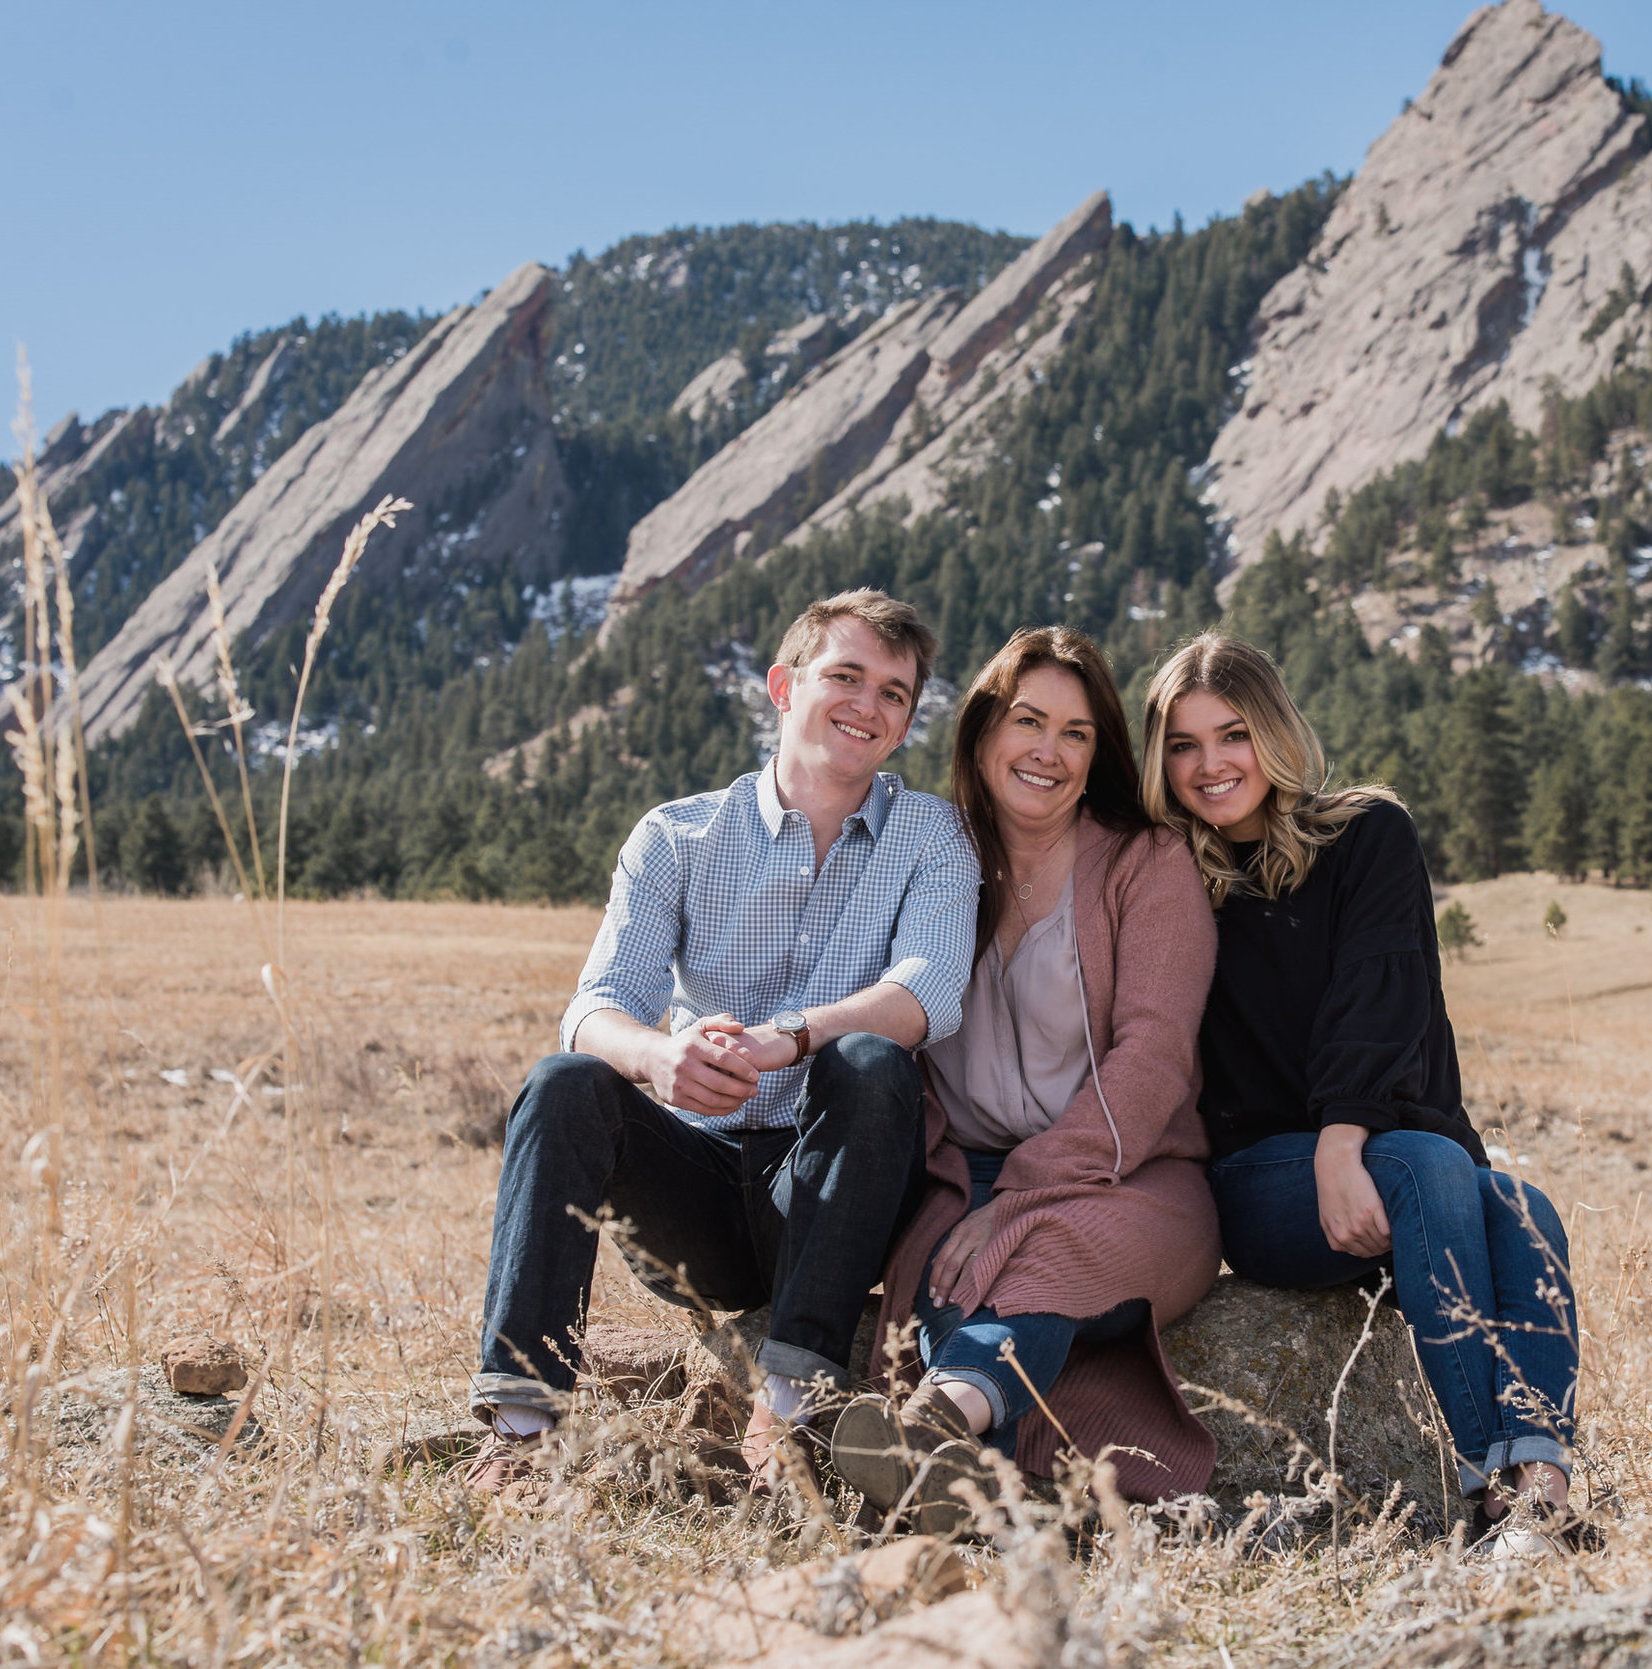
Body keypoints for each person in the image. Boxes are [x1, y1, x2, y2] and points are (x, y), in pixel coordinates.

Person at [467, 589, 980, 1492]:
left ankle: (790, 1420)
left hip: (836, 1183)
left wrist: (791, 1037)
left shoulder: (931, 834)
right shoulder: (677, 834)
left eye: (894, 693)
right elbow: (594, 1008)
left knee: (869, 1061)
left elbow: (928, 990)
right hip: (694, 1191)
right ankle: (520, 1431)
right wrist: (658, 1059)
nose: (868, 705)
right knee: (563, 1082)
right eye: (846, 676)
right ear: (784, 685)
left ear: (906, 720)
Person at [1141, 632, 1598, 1557]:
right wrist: (1337, 1157)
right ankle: (1486, 1486)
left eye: (1231, 734)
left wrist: (1343, 1140)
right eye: (1182, 745)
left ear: (1272, 730)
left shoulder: (1366, 834)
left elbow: (1381, 994)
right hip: (1260, 1183)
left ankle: (1542, 1489)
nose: (1210, 764)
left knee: (1525, 1205)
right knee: (1428, 1164)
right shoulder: (1164, 872)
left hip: (1373, 1152)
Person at [830, 626, 1222, 1533]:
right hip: (958, 1167)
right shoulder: (937, 857)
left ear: (1100, 755)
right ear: (980, 735)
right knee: (944, 1269)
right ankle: (978, 1494)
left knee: (1039, 1251)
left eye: (1077, 733)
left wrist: (1019, 1191)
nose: (1048, 751)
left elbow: (1155, 1056)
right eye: (1028, 720)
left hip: (1136, 1175)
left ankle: (937, 1421)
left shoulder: (1146, 864)